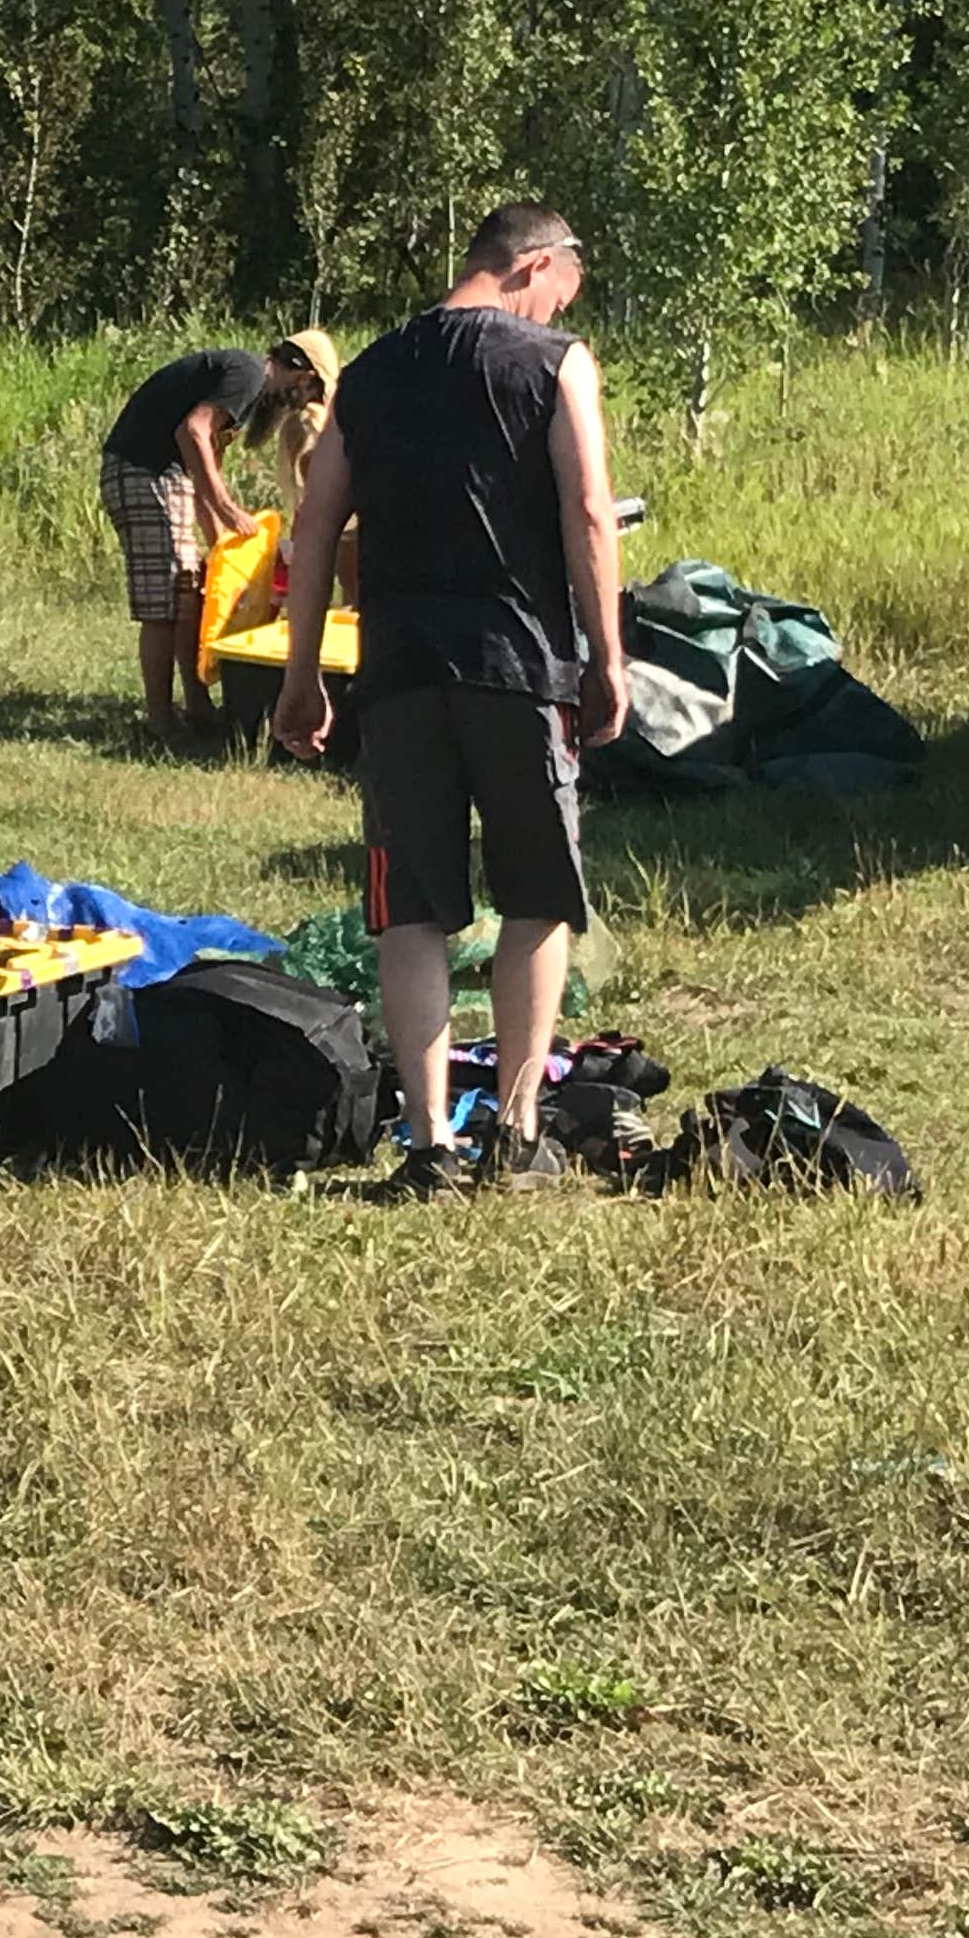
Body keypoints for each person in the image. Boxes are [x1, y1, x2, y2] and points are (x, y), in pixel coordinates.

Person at [272, 205, 626, 1196]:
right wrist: (609, 656)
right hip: (519, 668)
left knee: (411, 911)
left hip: (399, 676)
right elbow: (590, 511)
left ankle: (429, 1147)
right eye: (564, 288)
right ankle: (516, 1135)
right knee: (538, 896)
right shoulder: (556, 362)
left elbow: (314, 524)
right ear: (534, 265)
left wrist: (303, 674)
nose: (563, 307)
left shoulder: (373, 372)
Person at [100, 332, 334, 743]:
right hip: (144, 470)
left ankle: (197, 706)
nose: (304, 401)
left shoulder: (243, 396)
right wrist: (227, 510)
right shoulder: (247, 375)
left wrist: (221, 543)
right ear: (299, 370)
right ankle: (161, 722)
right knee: (167, 600)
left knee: (190, 591)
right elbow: (191, 434)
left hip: (165, 475)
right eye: (309, 389)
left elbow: (202, 462)